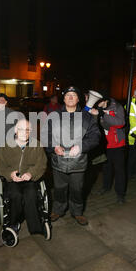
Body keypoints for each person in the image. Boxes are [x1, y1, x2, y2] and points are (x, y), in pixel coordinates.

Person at [44, 86, 100, 226]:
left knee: (77, 189)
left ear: (78, 99)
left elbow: (95, 137)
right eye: (67, 95)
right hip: (59, 161)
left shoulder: (87, 117)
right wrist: (54, 146)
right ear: (63, 98)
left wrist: (81, 146)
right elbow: (46, 136)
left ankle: (77, 212)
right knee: (59, 188)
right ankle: (58, 210)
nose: (70, 97)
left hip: (78, 162)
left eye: (73, 95)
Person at [0, 119, 47, 235]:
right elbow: (0, 165)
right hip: (13, 180)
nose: (25, 132)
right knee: (15, 195)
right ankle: (13, 224)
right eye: (21, 129)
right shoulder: (7, 146)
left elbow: (41, 164)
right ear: (15, 131)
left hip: (29, 179)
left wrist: (31, 173)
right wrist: (10, 174)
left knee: (31, 194)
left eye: (27, 130)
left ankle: (35, 228)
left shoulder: (36, 145)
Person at [92, 91, 127, 203]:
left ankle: (120, 194)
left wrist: (103, 114)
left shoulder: (117, 107)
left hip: (118, 144)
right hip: (105, 145)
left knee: (119, 170)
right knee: (107, 169)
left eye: (98, 102)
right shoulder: (98, 108)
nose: (96, 104)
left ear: (105, 101)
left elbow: (120, 123)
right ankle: (106, 188)